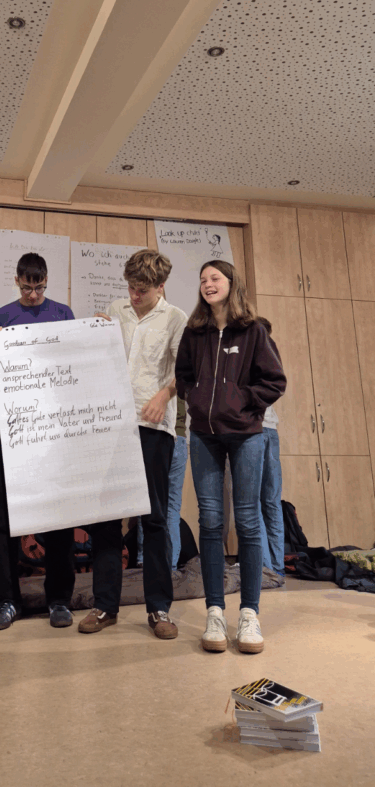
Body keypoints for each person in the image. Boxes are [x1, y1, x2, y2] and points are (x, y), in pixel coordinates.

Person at [175, 260, 286, 654]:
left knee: (248, 521)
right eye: (203, 279)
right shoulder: (195, 331)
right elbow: (183, 375)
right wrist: (197, 397)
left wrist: (240, 401)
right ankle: (215, 613)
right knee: (210, 520)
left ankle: (250, 615)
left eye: (215, 278)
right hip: (204, 436)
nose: (208, 284)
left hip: (246, 435)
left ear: (231, 283)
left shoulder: (253, 330)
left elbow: (274, 381)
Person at [78, 249, 187, 640]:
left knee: (154, 519)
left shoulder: (176, 319)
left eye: (142, 290)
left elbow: (185, 371)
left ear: (161, 287)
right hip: (111, 425)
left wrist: (164, 395)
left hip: (153, 427)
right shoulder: (116, 309)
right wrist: (93, 333)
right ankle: (105, 606)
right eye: (130, 288)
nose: (134, 295)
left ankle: (158, 608)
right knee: (106, 518)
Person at [0, 252, 77, 632]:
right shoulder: (3, 316)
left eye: (40, 287)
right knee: (3, 519)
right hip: (14, 430)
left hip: (53, 432)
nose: (34, 294)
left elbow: (75, 366)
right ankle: (8, 600)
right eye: (27, 288)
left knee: (59, 517)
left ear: (46, 281)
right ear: (17, 281)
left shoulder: (63, 314)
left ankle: (59, 599)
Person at [137, 396, 188, 571]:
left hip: (155, 433)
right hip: (179, 436)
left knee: (148, 503)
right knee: (172, 507)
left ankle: (145, 561)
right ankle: (170, 564)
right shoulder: (178, 380)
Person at [257, 317, 285, 578]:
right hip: (271, 430)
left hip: (253, 432)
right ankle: (276, 566)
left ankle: (266, 568)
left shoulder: (249, 353)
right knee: (272, 501)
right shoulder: (272, 355)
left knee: (252, 503)